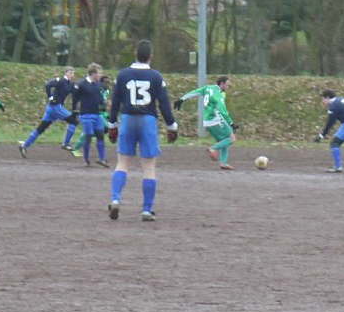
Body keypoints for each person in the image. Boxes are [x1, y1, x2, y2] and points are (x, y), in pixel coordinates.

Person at [107, 39, 178, 222]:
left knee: (122, 163)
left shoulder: (122, 75)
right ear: (150, 56)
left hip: (128, 118)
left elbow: (115, 102)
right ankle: (146, 210)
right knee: (148, 167)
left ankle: (115, 199)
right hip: (147, 120)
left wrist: (112, 124)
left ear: (135, 54)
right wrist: (171, 125)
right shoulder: (156, 76)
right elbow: (163, 103)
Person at [174, 76, 238, 170]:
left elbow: (195, 92)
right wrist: (231, 123)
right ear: (222, 84)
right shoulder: (218, 94)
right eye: (227, 85)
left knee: (224, 141)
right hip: (215, 119)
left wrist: (182, 99)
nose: (228, 87)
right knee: (231, 138)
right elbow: (222, 110)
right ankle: (213, 148)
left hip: (206, 121)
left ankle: (223, 163)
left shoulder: (207, 88)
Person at [18, 66, 79, 157]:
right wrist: (50, 97)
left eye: (73, 73)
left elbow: (76, 95)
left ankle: (24, 145)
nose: (71, 75)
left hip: (53, 109)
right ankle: (65, 143)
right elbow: (48, 85)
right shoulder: (61, 80)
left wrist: (75, 108)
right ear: (65, 73)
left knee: (41, 128)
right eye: (70, 72)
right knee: (74, 121)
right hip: (55, 107)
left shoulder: (70, 84)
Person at [71, 63, 109, 167]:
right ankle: (86, 159)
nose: (100, 75)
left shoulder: (98, 85)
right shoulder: (81, 84)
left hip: (97, 115)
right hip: (86, 115)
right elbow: (75, 99)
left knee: (101, 136)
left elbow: (99, 99)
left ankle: (102, 159)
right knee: (88, 137)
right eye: (99, 73)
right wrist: (75, 112)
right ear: (93, 73)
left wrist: (104, 103)